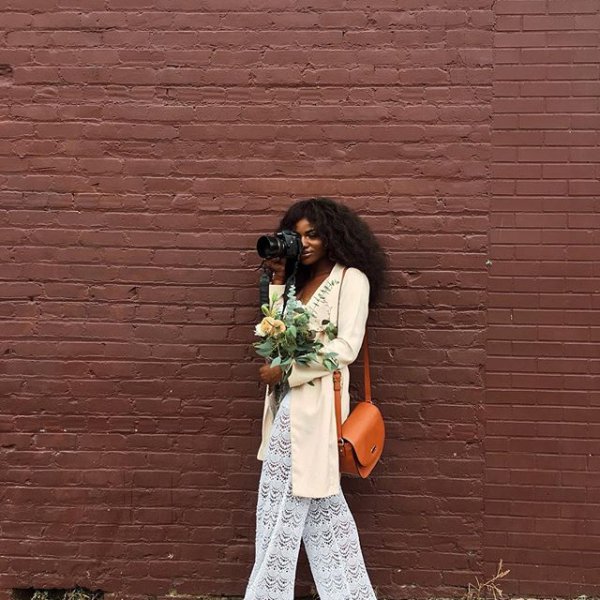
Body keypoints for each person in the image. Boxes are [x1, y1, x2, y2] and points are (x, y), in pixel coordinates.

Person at [244, 197, 386, 600]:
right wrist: (275, 282)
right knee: (321, 512)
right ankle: (352, 594)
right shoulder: (295, 281)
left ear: (334, 237)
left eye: (314, 235)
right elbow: (275, 336)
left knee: (278, 512)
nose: (304, 243)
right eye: (298, 235)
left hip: (317, 403)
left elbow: (346, 347)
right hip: (285, 404)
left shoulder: (351, 279)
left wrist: (289, 370)